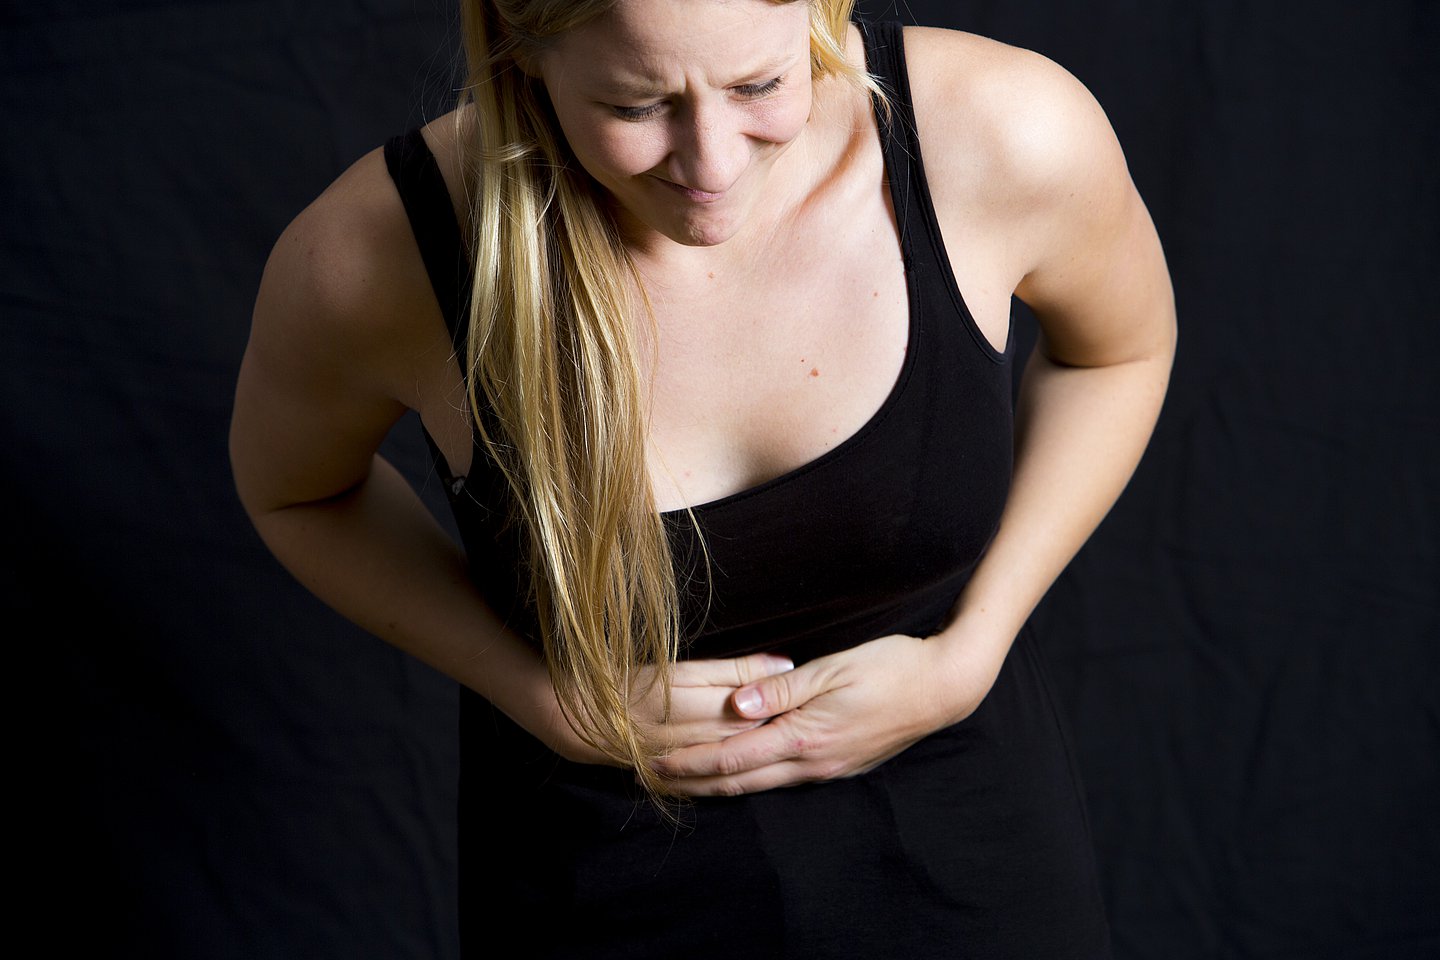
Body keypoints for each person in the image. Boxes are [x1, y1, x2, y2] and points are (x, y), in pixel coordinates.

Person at [230, 0, 1175, 956]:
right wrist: (536, 692)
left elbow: (1119, 354)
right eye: (636, 107)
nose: (712, 166)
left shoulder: (1002, 130)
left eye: (760, 85)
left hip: (975, 871)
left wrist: (972, 651)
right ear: (524, 46)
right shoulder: (373, 257)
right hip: (597, 897)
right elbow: (298, 494)